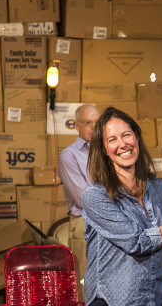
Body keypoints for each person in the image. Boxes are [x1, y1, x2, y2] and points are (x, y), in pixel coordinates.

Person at [82, 107, 162, 306]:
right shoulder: (96, 196)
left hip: (158, 293)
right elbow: (138, 242)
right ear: (104, 150)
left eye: (126, 135)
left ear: (137, 138)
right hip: (116, 299)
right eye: (112, 140)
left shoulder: (160, 189)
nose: (122, 144)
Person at [57, 103, 100, 301]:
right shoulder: (69, 155)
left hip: (112, 219)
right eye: (88, 123)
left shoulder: (108, 150)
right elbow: (83, 198)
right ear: (76, 125)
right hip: (85, 222)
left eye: (97, 123)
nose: (93, 128)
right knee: (86, 280)